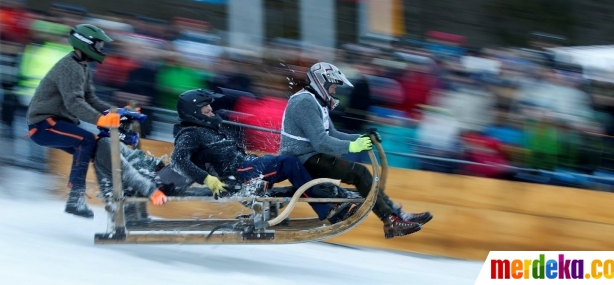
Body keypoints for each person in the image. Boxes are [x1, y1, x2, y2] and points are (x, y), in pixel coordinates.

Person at [279, 62, 434, 239]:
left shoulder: (315, 101)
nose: (334, 91)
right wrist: (353, 146)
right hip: (300, 160)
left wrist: (362, 138)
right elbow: (321, 141)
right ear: (323, 83)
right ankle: (390, 219)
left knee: (364, 179)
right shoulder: (304, 102)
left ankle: (396, 214)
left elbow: (333, 134)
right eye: (333, 87)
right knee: (360, 173)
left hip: (310, 156)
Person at [167, 89, 358, 224]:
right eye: (207, 111)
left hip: (247, 166)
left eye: (211, 109)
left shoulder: (208, 129)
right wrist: (207, 180)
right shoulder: (190, 133)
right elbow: (177, 160)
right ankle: (327, 210)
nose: (212, 113)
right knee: (290, 162)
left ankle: (330, 195)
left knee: (297, 160)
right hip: (239, 173)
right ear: (193, 113)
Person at [26, 23, 121, 219]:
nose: (102, 50)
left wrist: (117, 112)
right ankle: (75, 198)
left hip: (58, 123)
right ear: (86, 44)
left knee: (97, 148)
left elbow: (90, 98)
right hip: (44, 124)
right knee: (86, 140)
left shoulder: (82, 67)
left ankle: (111, 198)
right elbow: (74, 103)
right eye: (99, 45)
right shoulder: (70, 66)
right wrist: (101, 120)